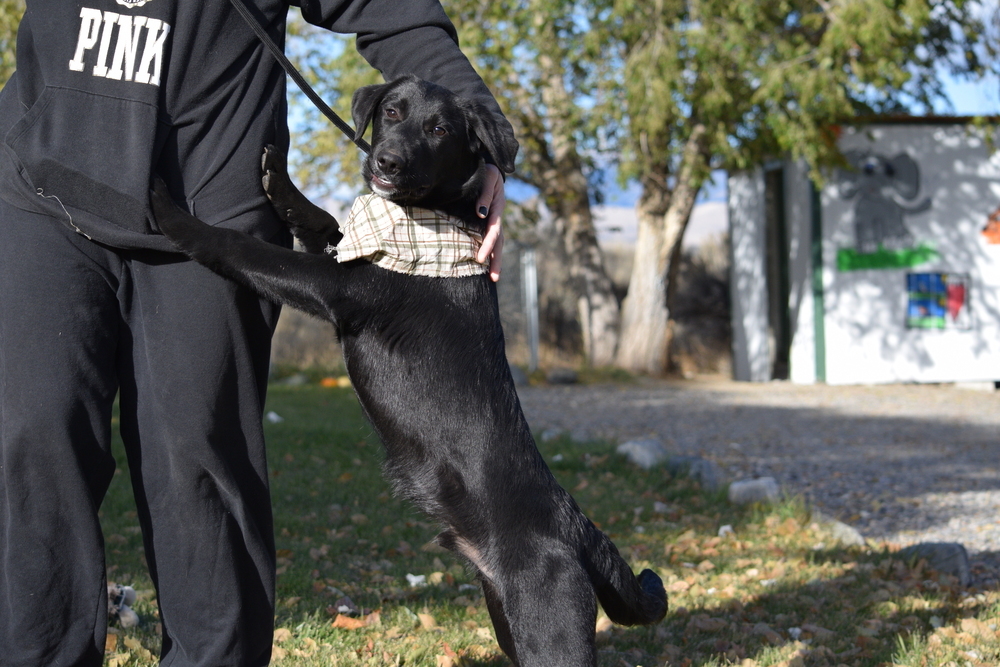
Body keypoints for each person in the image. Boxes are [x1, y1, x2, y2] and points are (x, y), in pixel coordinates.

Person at [0, 1, 517, 665]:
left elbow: (393, 10)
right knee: (33, 433)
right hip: (38, 185)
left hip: (210, 211)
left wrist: (484, 142)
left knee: (199, 451)